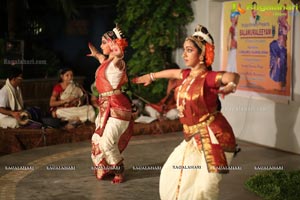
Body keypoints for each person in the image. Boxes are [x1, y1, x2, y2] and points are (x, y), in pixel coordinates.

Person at [133, 24, 240, 200]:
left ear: (203, 54)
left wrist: (231, 85)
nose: (184, 54)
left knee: (205, 187)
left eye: (189, 50)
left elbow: (232, 76)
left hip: (215, 137)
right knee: (171, 174)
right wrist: (151, 76)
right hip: (192, 138)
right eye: (184, 50)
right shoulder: (187, 75)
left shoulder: (209, 78)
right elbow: (172, 73)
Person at [87, 25, 133, 184]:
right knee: (97, 139)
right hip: (105, 107)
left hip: (118, 108)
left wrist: (116, 39)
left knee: (107, 142)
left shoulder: (119, 61)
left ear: (112, 44)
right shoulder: (108, 62)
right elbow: (103, 61)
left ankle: (119, 170)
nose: (100, 45)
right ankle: (107, 167)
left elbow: (119, 53)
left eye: (103, 42)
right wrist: (97, 55)